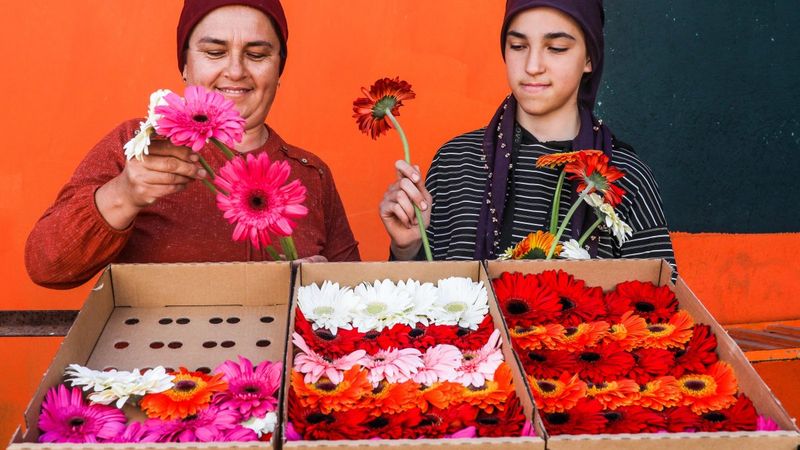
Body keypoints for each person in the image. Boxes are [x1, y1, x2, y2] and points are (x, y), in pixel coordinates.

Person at [25, 0, 359, 289]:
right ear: (185, 65)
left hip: (283, 362)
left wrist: (403, 250)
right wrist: (124, 194)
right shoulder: (140, 146)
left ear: (278, 70)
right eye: (215, 52)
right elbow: (47, 266)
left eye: (257, 54)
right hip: (158, 362)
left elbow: (350, 302)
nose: (235, 70)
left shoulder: (311, 175)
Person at [380, 0, 675, 267]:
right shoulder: (455, 163)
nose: (532, 66)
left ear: (589, 59)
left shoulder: (625, 178)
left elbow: (659, 309)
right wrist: (407, 248)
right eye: (518, 46)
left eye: (557, 48)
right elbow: (417, 310)